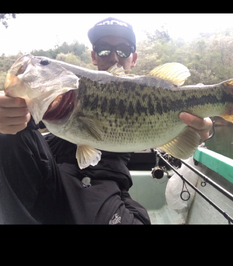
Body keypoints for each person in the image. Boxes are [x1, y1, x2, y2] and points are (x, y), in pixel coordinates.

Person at [0, 17, 212, 224]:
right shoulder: (62, 93)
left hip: (102, 187)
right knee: (7, 135)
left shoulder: (150, 94)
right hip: (51, 176)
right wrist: (7, 113)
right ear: (94, 56)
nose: (114, 57)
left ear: (134, 58)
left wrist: (202, 131)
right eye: (103, 49)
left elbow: (185, 138)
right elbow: (25, 125)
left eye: (123, 50)